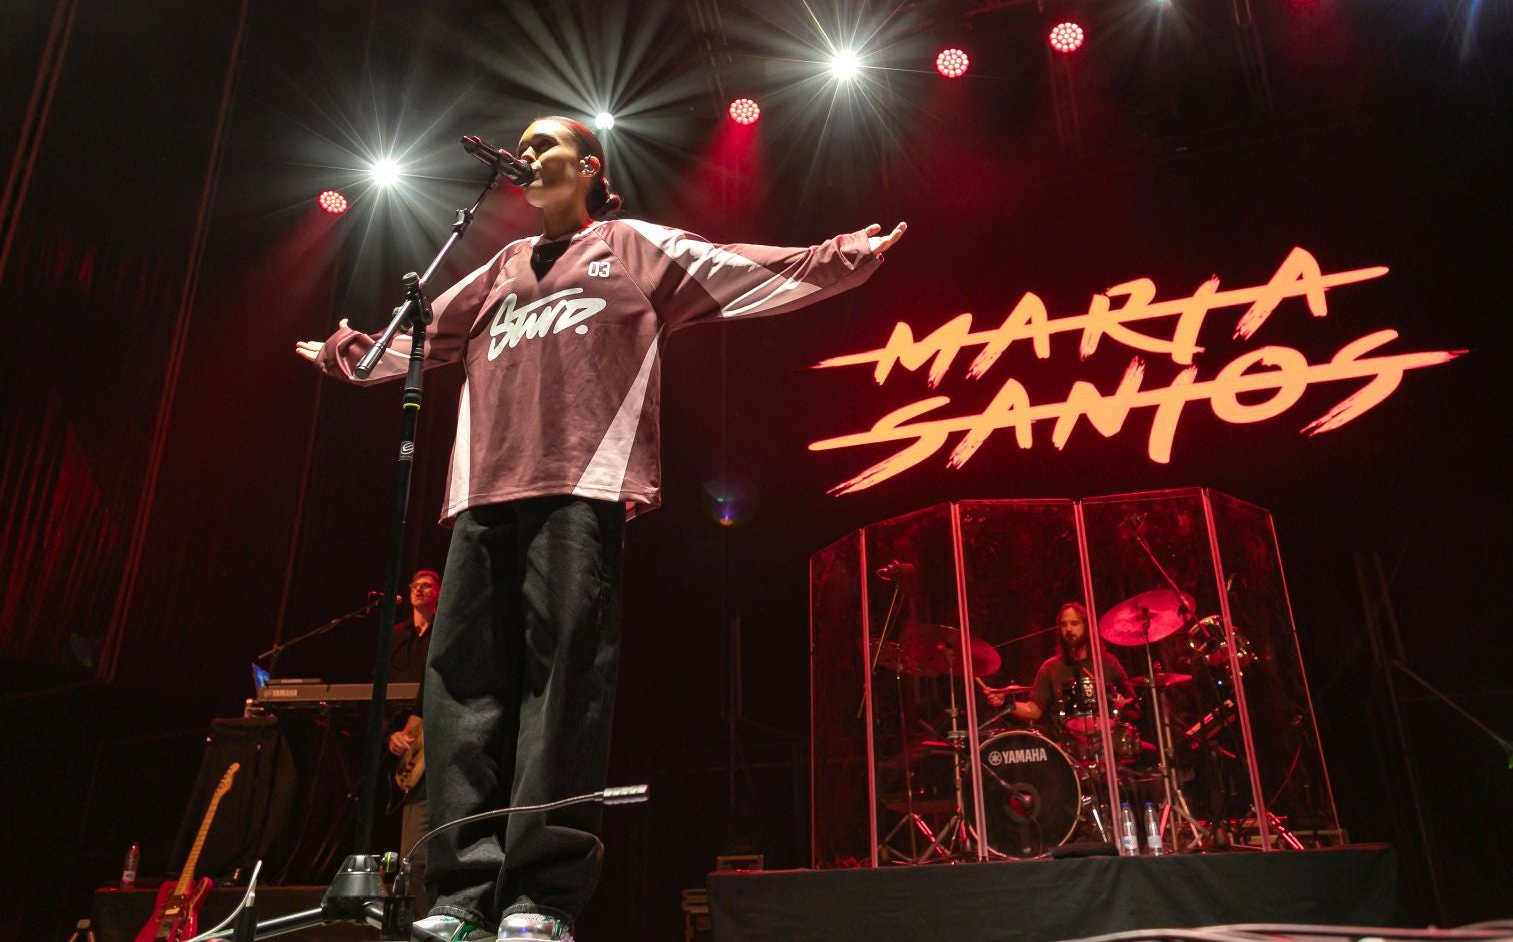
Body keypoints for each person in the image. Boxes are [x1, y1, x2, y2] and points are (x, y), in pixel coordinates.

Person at [297, 115, 906, 942]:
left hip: (580, 489)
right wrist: (345, 352)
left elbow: (747, 271)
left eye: (547, 142)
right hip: (481, 494)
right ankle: (459, 893)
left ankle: (538, 898)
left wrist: (844, 257)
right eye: (525, 143)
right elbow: (409, 343)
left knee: (563, 688)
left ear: (589, 168)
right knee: (463, 691)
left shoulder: (633, 248)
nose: (530, 153)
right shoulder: (499, 268)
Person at [988, 602, 1132, 754]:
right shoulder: (1050, 668)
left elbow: (1133, 701)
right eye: (1063, 625)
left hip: (1109, 747)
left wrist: (1123, 702)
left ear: (1086, 627)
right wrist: (1007, 702)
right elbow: (1034, 710)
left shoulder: (1107, 662)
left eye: (1074, 623)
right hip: (1068, 750)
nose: (1068, 629)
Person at [389, 568, 442, 897]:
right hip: (403, 746)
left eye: (428, 586)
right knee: (408, 848)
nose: (420, 590)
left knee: (423, 846)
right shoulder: (395, 637)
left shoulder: (443, 632)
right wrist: (390, 735)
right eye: (415, 586)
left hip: (434, 736)